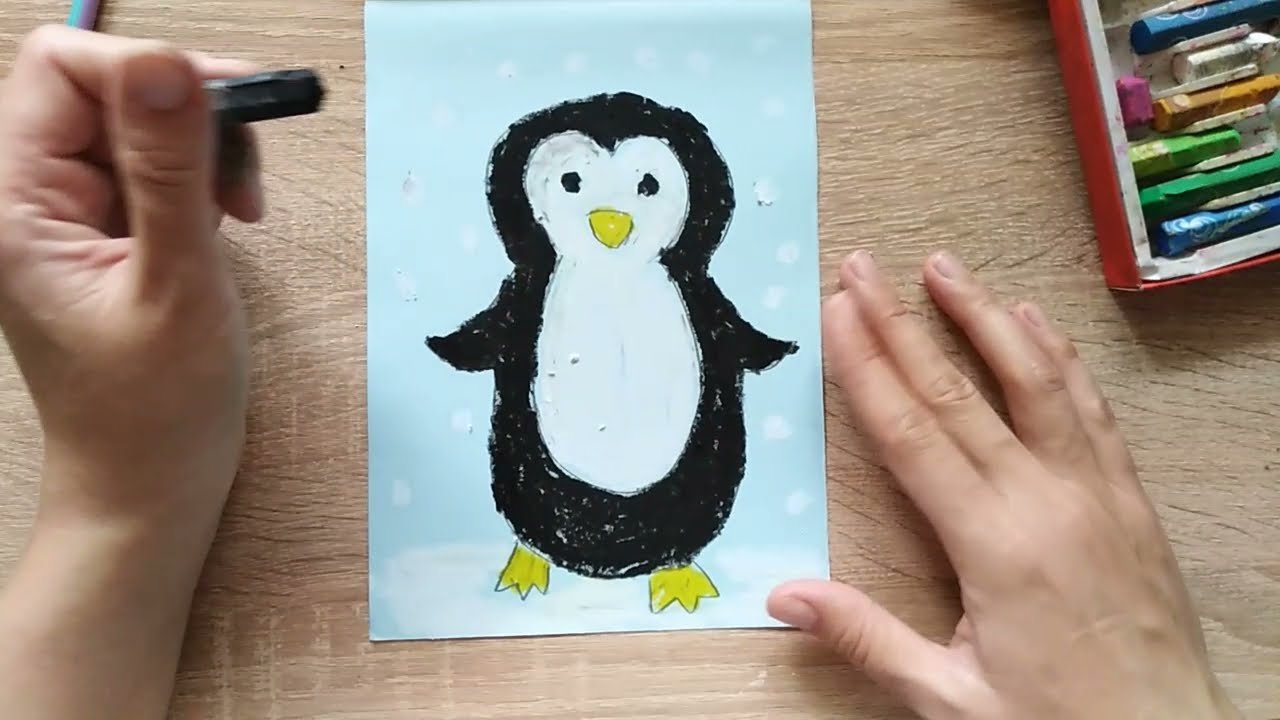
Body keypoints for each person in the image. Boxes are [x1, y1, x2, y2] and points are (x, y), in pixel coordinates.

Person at [0, 26, 1244, 720]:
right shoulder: (533, 287)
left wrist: (127, 500)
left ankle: (678, 555)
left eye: (640, 188)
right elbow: (485, 339)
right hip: (535, 497)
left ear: (688, 198)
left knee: (687, 459)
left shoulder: (684, 285)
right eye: (577, 188)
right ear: (529, 198)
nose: (605, 214)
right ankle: (536, 545)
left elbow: (736, 342)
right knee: (532, 453)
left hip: (677, 502)